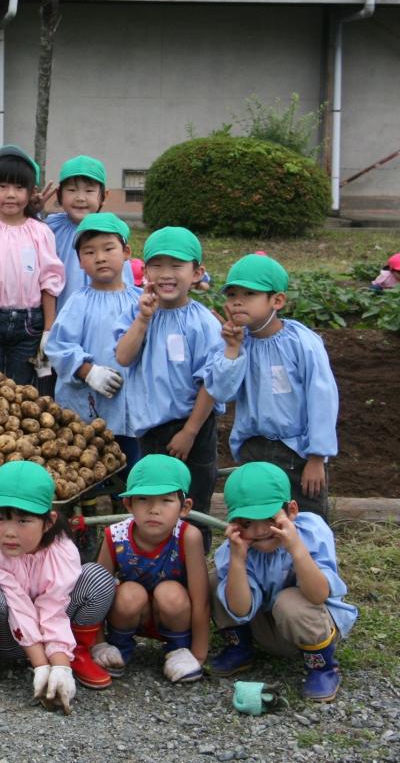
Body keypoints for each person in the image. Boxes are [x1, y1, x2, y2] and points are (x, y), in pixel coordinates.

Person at [0, 462, 117, 708]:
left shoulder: (62, 550)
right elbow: (17, 605)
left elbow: (54, 607)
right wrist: (41, 666)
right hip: (7, 636)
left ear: (48, 522)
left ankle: (76, 654)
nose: (9, 532)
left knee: (97, 577)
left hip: (59, 633)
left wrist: (59, 665)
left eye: (23, 521)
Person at [208, 462, 356, 702]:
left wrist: (295, 547)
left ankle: (323, 667)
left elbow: (318, 595)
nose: (259, 530)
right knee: (216, 579)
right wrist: (238, 559)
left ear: (292, 510)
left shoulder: (312, 532)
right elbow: (240, 609)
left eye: (269, 518)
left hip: (313, 621)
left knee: (289, 601)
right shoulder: (234, 549)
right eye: (246, 523)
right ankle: (240, 648)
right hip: (270, 627)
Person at [114, 226, 224, 549]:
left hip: (194, 429)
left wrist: (189, 432)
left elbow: (212, 382)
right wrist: (143, 320)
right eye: (157, 266)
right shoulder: (137, 312)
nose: (166, 274)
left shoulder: (203, 322)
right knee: (155, 508)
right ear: (145, 271)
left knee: (192, 506)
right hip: (151, 430)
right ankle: (159, 569)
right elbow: (123, 355)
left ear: (197, 273)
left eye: (176, 266)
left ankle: (194, 576)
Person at [207, 254, 339, 518]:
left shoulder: (302, 342)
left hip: (297, 452)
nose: (237, 301)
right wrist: (233, 349)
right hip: (253, 448)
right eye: (231, 294)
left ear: (276, 301)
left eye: (249, 293)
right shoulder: (234, 343)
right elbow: (221, 392)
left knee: (305, 518)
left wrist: (317, 457)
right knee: (258, 521)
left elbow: (322, 397)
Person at [91, 455, 209, 683]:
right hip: (133, 613)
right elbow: (96, 595)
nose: (154, 509)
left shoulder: (188, 537)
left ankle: (178, 650)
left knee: (171, 592)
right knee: (128, 592)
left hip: (174, 613)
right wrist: (98, 644)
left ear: (184, 507)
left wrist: (199, 654)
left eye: (166, 500)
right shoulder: (115, 536)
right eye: (143, 499)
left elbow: (201, 599)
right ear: (128, 504)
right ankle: (118, 648)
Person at [44, 213, 142, 476]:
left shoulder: (141, 302)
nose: (100, 257)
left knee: (131, 467)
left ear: (126, 252)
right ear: (79, 261)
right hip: (87, 407)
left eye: (108, 249)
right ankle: (86, 515)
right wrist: (88, 371)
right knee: (86, 468)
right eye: (89, 252)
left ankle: (126, 511)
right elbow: (58, 345)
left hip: (133, 409)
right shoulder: (78, 302)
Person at [0, 145, 65, 385]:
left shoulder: (41, 232)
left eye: (19, 187)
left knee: (21, 391)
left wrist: (48, 330)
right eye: (3, 186)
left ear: (31, 193)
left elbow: (50, 282)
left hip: (29, 325)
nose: (11, 194)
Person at [43, 156, 134, 307]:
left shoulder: (111, 230)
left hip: (104, 314)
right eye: (71, 190)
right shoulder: (50, 228)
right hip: (61, 315)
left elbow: (124, 279)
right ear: (59, 194)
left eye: (89, 190)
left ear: (104, 196)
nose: (80, 198)